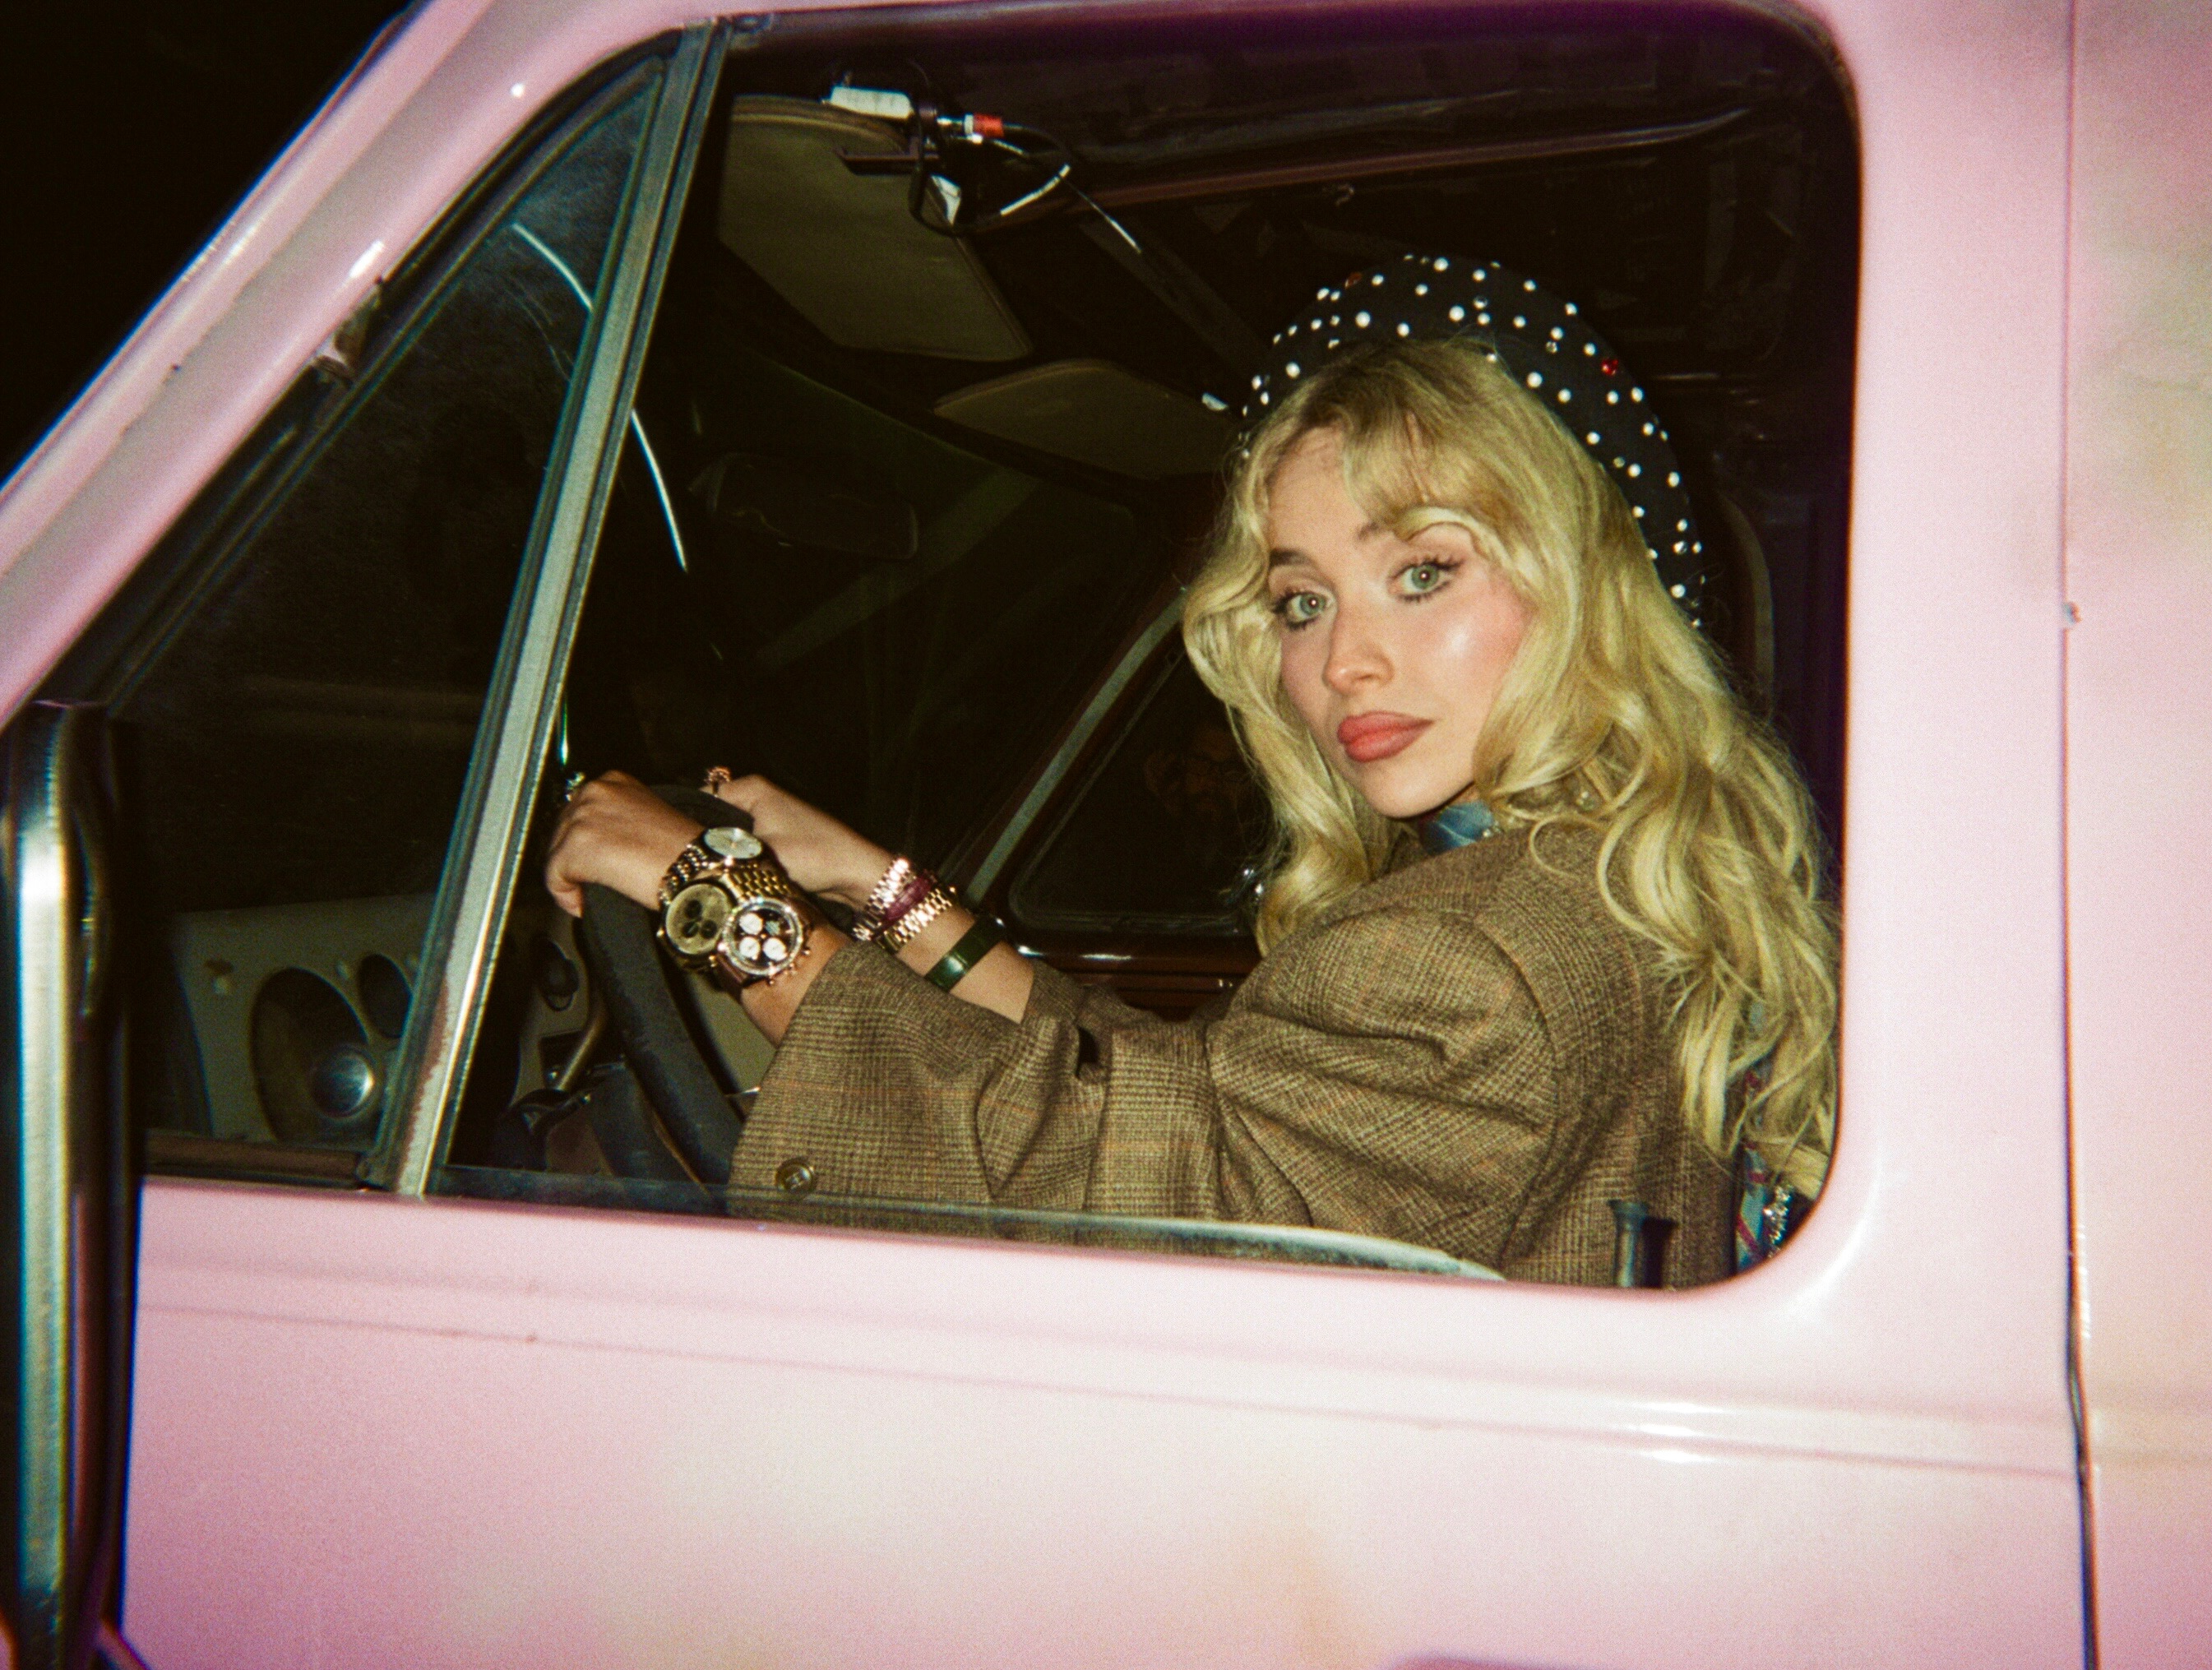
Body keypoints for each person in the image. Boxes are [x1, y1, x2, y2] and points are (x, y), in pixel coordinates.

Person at [546, 259, 1838, 1287]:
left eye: (1422, 572)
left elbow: (1138, 1192)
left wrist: (718, 901)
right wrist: (880, 888)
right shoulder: (1602, 884)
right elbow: (1188, 1114)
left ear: (1582, 587)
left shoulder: (1473, 950)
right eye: (1300, 601)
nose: (1343, 662)